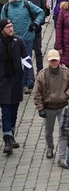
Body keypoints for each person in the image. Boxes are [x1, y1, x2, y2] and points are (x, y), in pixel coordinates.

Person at [33, 49, 69, 168]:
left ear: (59, 60)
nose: (54, 63)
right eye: (52, 61)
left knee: (63, 132)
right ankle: (50, 147)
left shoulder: (65, 72)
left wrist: (65, 95)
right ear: (48, 61)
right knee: (48, 131)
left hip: (62, 106)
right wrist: (40, 108)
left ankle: (62, 157)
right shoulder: (42, 74)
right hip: (48, 107)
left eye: (55, 60)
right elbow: (36, 93)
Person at [1, 0, 45, 93]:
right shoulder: (6, 7)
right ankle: (17, 83)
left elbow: (40, 12)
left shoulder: (26, 4)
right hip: (12, 40)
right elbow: (2, 22)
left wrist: (35, 23)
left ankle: (26, 83)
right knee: (14, 62)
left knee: (26, 61)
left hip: (27, 38)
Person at [0, 19, 27, 155]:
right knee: (5, 111)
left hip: (16, 81)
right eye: (8, 27)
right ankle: (7, 139)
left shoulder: (18, 41)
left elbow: (26, 58)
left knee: (14, 111)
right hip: (3, 82)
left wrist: (30, 75)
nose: (11, 29)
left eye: (12, 26)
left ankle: (11, 133)